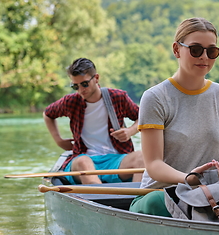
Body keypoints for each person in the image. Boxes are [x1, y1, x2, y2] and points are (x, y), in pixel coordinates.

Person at [129, 17, 219, 223]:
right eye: (195, 49)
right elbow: (154, 165)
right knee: (155, 204)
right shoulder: (155, 97)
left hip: (212, 194)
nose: (204, 57)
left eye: (211, 51)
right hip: (163, 194)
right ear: (177, 50)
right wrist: (187, 178)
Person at [43, 57, 144, 185]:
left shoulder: (117, 97)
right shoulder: (71, 101)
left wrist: (130, 131)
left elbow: (142, 116)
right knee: (83, 162)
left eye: (85, 84)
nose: (80, 90)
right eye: (75, 86)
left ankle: (136, 200)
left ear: (96, 78)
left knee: (142, 157)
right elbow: (48, 114)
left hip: (116, 160)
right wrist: (59, 141)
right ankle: (104, 201)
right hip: (84, 160)